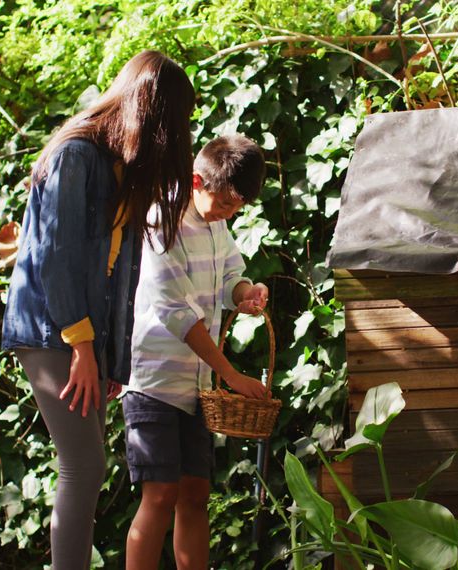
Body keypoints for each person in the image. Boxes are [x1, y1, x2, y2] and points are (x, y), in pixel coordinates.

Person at [0, 50, 195, 570]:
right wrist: (84, 346)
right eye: (176, 118)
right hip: (51, 331)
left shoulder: (122, 170)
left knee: (86, 466)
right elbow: (56, 257)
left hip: (82, 339)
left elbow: (121, 273)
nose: (180, 132)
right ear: (151, 110)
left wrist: (110, 357)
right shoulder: (76, 155)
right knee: (83, 466)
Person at [122, 135, 271, 570]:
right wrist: (231, 374)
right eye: (225, 203)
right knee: (161, 494)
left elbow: (231, 276)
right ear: (196, 181)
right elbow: (176, 312)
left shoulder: (217, 222)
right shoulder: (159, 222)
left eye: (237, 207)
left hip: (197, 386)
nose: (230, 213)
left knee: (195, 495)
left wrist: (247, 293)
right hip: (154, 382)